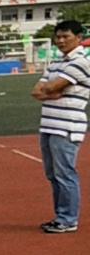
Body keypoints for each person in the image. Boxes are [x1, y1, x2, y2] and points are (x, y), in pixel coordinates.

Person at [32, 18, 87, 234]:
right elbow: (37, 91)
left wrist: (49, 90)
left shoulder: (81, 62)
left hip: (67, 126)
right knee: (53, 174)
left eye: (66, 36)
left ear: (79, 38)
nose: (61, 41)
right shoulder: (55, 63)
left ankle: (68, 218)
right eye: (58, 37)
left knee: (65, 173)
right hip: (49, 124)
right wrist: (50, 92)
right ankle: (60, 216)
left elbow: (51, 86)